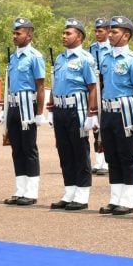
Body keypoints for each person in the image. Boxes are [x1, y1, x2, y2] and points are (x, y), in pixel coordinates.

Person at [98, 16, 133, 215]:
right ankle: (115, 198)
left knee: (126, 155)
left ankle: (127, 200)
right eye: (109, 31)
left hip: (125, 110)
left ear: (126, 35)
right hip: (108, 110)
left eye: (115, 32)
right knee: (112, 156)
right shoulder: (106, 57)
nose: (110, 35)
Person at [48, 18, 98, 210]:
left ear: (79, 36)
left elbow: (93, 88)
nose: (64, 36)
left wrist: (91, 114)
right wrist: (51, 106)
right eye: (64, 33)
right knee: (64, 151)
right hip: (60, 108)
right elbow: (55, 84)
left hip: (77, 109)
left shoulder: (86, 59)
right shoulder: (60, 58)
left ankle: (82, 194)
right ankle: (69, 192)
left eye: (68, 33)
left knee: (79, 151)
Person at [4, 17, 47, 205]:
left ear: (28, 35)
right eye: (14, 33)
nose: (15, 36)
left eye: (18, 33)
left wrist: (39, 112)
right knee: (17, 149)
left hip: (27, 107)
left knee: (29, 149)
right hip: (13, 107)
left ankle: (31, 191)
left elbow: (40, 86)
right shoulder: (13, 57)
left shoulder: (35, 57)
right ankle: (20, 189)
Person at [88, 18, 111, 176]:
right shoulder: (92, 48)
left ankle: (107, 161)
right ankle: (98, 160)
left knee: (107, 124)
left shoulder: (112, 48)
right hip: (96, 87)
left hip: (107, 86)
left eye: (100, 31)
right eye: (96, 31)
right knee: (96, 124)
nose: (97, 34)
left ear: (108, 32)